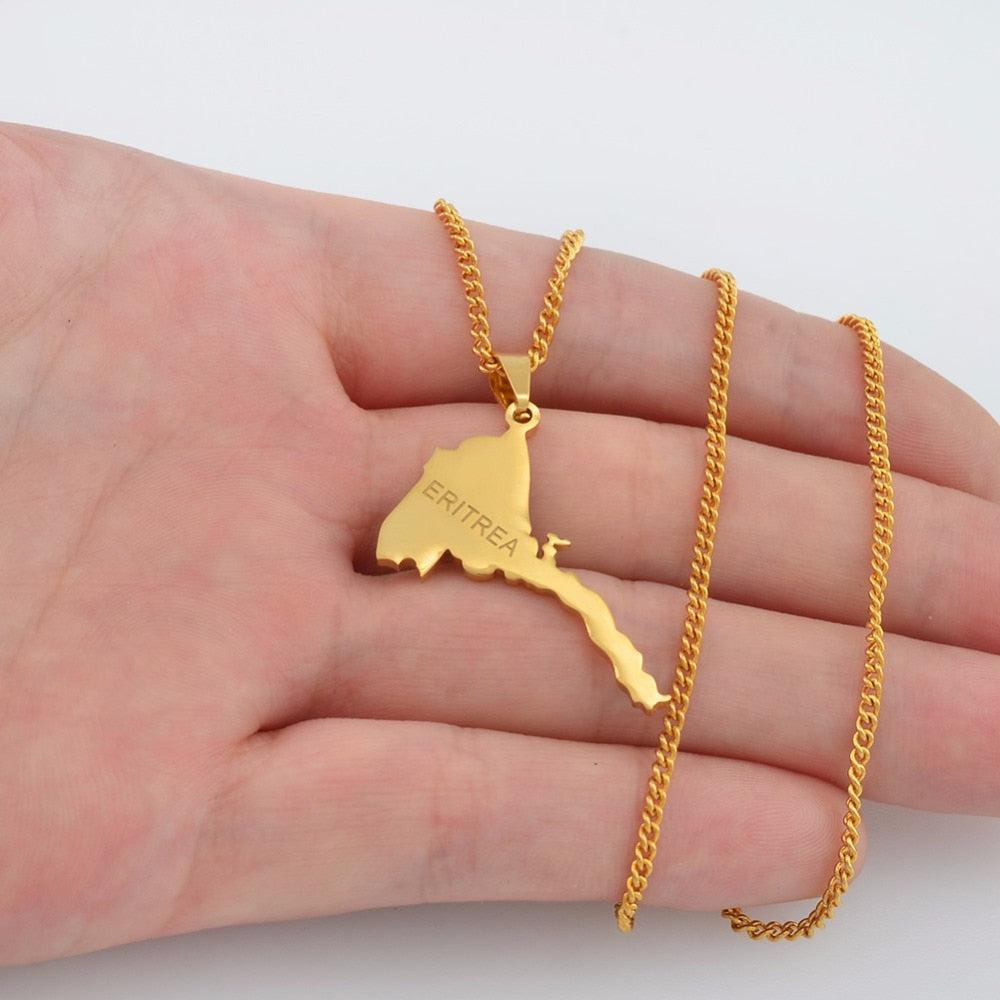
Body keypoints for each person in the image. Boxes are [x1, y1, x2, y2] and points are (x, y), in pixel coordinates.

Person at [1, 123, 997, 966]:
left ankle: (641, 679)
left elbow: (495, 513)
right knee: (590, 609)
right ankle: (639, 676)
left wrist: (520, 539)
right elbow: (455, 516)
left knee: (593, 611)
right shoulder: (472, 463)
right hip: (489, 545)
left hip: (508, 546)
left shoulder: (496, 459)